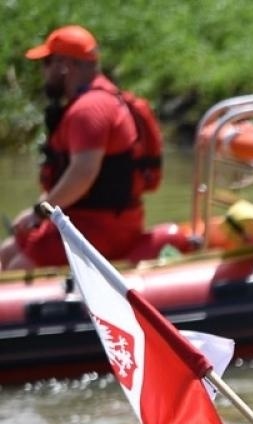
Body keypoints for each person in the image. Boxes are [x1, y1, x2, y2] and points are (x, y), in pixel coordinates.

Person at [1, 26, 150, 270]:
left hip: (102, 228)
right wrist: (37, 210)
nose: (43, 72)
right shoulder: (93, 101)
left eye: (46, 63)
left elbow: (83, 174)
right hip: (85, 220)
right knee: (7, 251)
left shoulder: (90, 110)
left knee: (18, 265)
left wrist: (40, 212)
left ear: (64, 65)